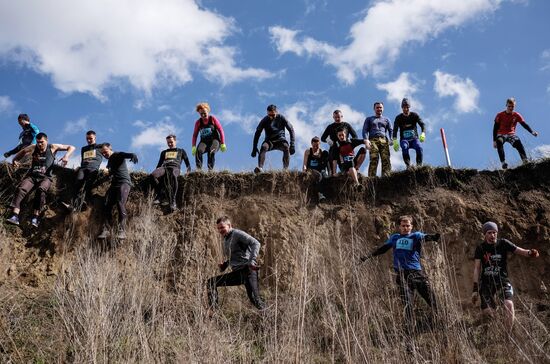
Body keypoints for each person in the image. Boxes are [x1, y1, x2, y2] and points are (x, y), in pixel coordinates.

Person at [360, 215, 440, 335]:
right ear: (399, 226)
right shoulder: (394, 238)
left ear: (411, 226)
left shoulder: (416, 236)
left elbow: (426, 237)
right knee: (407, 306)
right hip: (402, 276)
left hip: (417, 274)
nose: (406, 228)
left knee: (433, 301)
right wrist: (368, 256)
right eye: (403, 226)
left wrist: (434, 237)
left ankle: (440, 325)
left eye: (408, 225)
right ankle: (410, 334)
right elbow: (383, 249)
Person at [472, 221, 540, 329]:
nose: (492, 235)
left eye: (494, 232)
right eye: (489, 233)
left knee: (509, 304)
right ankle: (489, 329)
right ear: (485, 234)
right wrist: (475, 289)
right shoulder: (480, 248)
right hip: (486, 283)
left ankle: (507, 336)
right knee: (489, 313)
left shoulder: (503, 243)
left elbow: (519, 250)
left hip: (502, 281)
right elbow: (477, 268)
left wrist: (530, 252)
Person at [6, 132, 75, 227]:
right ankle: (14, 215)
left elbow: (71, 147)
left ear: (47, 141)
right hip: (32, 176)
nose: (40, 144)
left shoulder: (52, 147)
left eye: (42, 142)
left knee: (41, 190)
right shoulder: (34, 147)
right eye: (38, 142)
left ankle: (35, 217)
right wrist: (15, 160)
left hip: (46, 177)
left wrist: (66, 156)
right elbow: (23, 151)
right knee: (21, 189)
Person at [206, 216, 265, 310]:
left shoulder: (237, 234)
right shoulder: (225, 239)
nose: (220, 230)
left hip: (248, 271)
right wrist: (225, 265)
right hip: (237, 273)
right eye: (218, 228)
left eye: (222, 227)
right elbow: (235, 256)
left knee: (255, 299)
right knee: (211, 282)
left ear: (229, 225)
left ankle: (269, 317)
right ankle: (213, 312)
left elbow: (256, 243)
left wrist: (252, 261)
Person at [97, 143, 138, 240]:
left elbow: (125, 154)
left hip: (124, 183)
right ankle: (106, 230)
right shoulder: (109, 161)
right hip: (114, 185)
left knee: (120, 203)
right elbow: (110, 172)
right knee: (106, 204)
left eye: (105, 152)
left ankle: (122, 231)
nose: (104, 154)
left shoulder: (117, 155)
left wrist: (132, 155)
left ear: (110, 149)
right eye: (102, 153)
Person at [62, 130, 103, 211]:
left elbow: (109, 154)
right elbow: (83, 159)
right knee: (77, 184)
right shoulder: (84, 149)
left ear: (95, 137)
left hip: (93, 168)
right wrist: (79, 167)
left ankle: (84, 204)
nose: (88, 140)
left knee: (88, 185)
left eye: (90, 138)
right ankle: (72, 205)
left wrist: (108, 167)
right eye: (87, 139)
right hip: (83, 168)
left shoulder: (100, 147)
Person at [493, 98, 538, 169]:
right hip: (501, 134)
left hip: (511, 134)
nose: (511, 108)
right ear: (506, 105)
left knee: (518, 143)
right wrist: (494, 141)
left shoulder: (516, 115)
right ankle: (503, 163)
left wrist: (532, 132)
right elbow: (495, 128)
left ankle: (525, 161)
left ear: (514, 106)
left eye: (512, 106)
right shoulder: (500, 115)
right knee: (499, 141)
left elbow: (524, 124)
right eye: (509, 106)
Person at [151, 134, 191, 211]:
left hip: (175, 168)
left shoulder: (181, 151)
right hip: (164, 167)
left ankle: (173, 201)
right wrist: (157, 171)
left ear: (175, 141)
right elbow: (159, 165)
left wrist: (188, 171)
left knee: (173, 175)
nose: (169, 144)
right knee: (153, 175)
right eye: (168, 142)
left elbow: (187, 164)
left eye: (171, 142)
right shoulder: (163, 152)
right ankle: (160, 195)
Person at [252, 104, 295, 173]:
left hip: (280, 140)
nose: (271, 117)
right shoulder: (265, 120)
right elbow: (257, 133)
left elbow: (291, 129)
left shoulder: (281, 118)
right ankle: (260, 168)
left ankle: (285, 170)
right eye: (269, 115)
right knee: (263, 147)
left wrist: (292, 144)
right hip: (269, 141)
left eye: (273, 115)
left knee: (286, 147)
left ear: (276, 112)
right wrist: (254, 147)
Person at [320, 110, 359, 175]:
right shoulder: (330, 126)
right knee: (332, 170)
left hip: (345, 149)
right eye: (335, 117)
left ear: (342, 116)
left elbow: (355, 136)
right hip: (334, 149)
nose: (337, 119)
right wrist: (328, 140)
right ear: (333, 117)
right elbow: (322, 138)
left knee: (345, 170)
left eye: (338, 117)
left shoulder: (346, 125)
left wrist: (349, 140)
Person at [191, 103, 226, 170]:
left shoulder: (212, 119)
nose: (203, 115)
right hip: (204, 142)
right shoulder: (198, 122)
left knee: (211, 151)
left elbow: (221, 130)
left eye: (204, 113)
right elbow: (195, 135)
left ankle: (210, 170)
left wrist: (223, 143)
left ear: (208, 111)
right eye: (201, 114)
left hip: (214, 141)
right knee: (198, 151)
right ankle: (199, 171)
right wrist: (193, 146)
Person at [393, 98, 426, 168]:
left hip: (414, 139)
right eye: (404, 107)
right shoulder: (398, 118)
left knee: (419, 148)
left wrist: (423, 133)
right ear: (402, 108)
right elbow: (395, 130)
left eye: (407, 107)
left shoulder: (414, 115)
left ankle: (419, 166)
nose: (405, 109)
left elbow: (422, 124)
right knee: (404, 147)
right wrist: (395, 140)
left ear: (409, 107)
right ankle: (408, 166)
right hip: (404, 140)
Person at [363, 102, 393, 177]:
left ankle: (386, 176)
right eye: (377, 107)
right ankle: (371, 178)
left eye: (380, 107)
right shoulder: (369, 119)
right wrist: (366, 141)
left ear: (383, 109)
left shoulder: (386, 119)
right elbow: (365, 130)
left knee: (385, 158)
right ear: (374, 109)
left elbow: (391, 130)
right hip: (373, 140)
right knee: (374, 158)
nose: (379, 109)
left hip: (384, 140)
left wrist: (391, 139)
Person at [302, 136, 330, 201]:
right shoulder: (308, 151)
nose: (315, 147)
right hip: (310, 170)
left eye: (317, 146)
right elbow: (304, 164)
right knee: (319, 175)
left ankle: (328, 194)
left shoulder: (321, 152)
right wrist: (304, 171)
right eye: (314, 145)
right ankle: (320, 194)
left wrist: (329, 172)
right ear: (311, 144)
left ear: (319, 144)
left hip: (319, 170)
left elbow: (325, 163)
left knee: (325, 177)